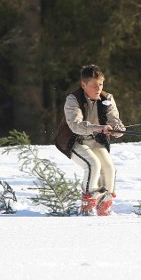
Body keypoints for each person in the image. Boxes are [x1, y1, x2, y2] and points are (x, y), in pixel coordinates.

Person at [54, 64, 125, 215]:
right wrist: (99, 128)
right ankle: (87, 204)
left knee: (109, 168)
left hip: (95, 140)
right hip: (74, 140)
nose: (98, 88)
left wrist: (117, 130)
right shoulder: (73, 100)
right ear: (83, 84)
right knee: (93, 165)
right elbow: (76, 125)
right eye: (93, 85)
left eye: (100, 84)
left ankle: (104, 204)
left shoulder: (107, 98)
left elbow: (114, 120)